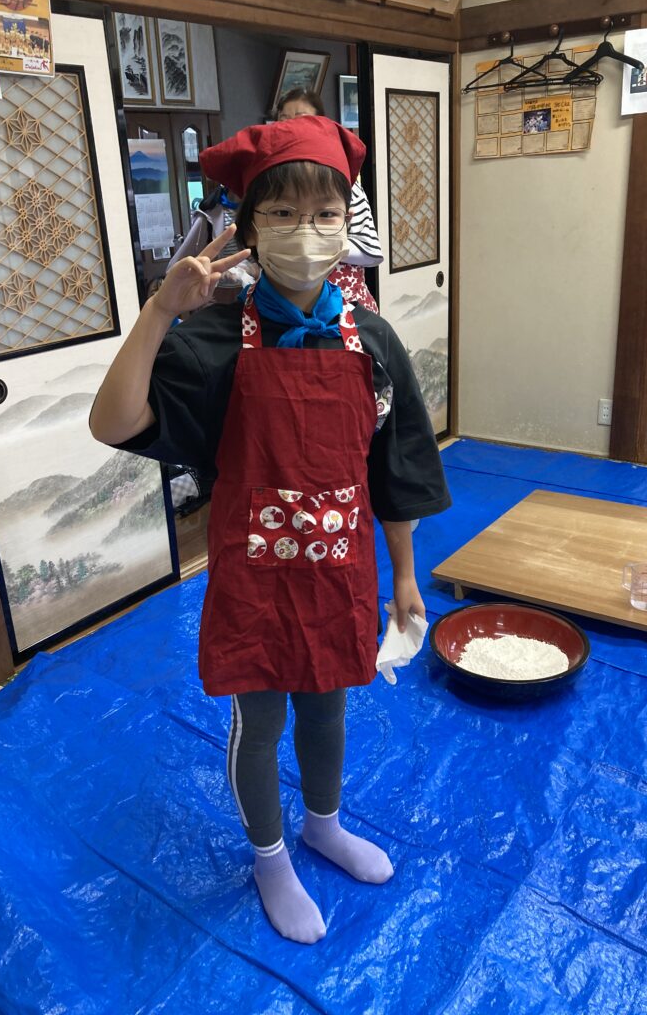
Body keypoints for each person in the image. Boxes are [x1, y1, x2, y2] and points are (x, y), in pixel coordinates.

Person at [90, 116, 450, 945]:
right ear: (249, 227)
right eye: (282, 214)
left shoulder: (373, 339)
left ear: (348, 223)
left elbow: (396, 469)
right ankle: (269, 857)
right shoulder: (215, 339)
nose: (306, 232)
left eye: (325, 214)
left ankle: (324, 826)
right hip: (253, 577)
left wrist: (403, 575)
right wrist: (158, 311)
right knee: (262, 723)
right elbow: (114, 423)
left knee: (328, 709)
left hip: (339, 571)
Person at [276, 87, 383, 313]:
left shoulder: (343, 181)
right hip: (287, 307)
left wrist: (323, 242)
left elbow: (371, 252)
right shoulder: (272, 184)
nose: (292, 127)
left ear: (321, 125)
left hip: (346, 305)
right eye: (284, 119)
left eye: (302, 119)